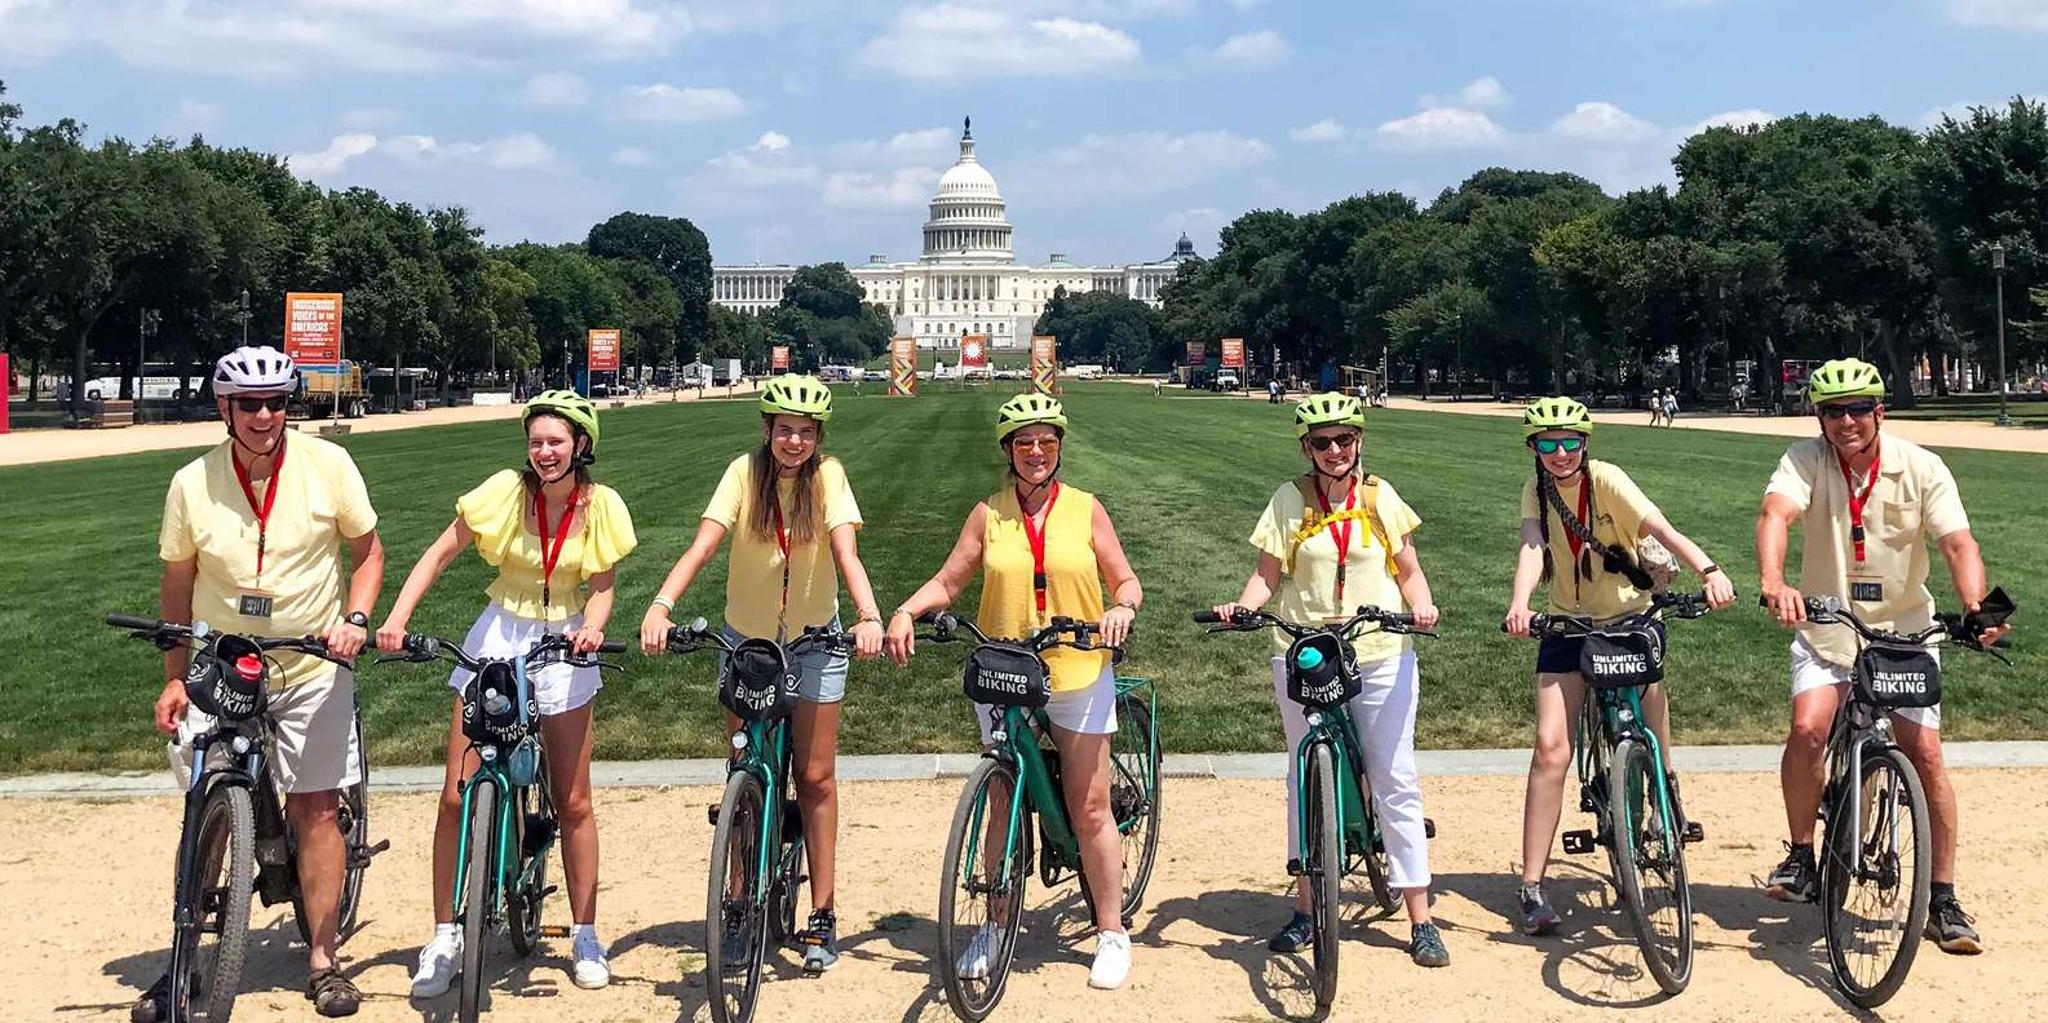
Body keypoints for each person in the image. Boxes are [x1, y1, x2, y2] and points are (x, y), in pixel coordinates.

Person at [141, 345, 386, 1020]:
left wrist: (355, 619)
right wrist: (173, 678)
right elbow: (178, 582)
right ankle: (185, 958)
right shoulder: (192, 482)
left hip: (309, 661)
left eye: (276, 402)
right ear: (225, 408)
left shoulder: (329, 464)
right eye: (249, 403)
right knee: (206, 806)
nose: (264, 415)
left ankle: (324, 961)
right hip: (223, 664)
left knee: (316, 808)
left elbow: (368, 553)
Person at [378, 390, 636, 996]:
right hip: (500, 632)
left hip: (565, 636)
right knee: (455, 794)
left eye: (556, 442)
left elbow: (602, 585)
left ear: (580, 446)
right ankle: (445, 935)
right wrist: (396, 618)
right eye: (536, 441)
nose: (545, 452)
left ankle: (585, 934)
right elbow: (439, 554)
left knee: (573, 801)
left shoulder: (601, 504)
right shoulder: (505, 491)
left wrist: (593, 628)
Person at [884, 393, 1143, 991]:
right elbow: (950, 581)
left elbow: (1125, 579)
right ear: (1008, 450)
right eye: (1024, 442)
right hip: (1006, 670)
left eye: (1046, 442)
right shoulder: (989, 514)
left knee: (1090, 806)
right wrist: (905, 611)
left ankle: (1111, 931)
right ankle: (996, 925)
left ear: (1059, 448)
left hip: (1077, 667)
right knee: (1000, 797)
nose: (1035, 452)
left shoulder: (1085, 509)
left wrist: (1121, 609)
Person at [1755, 358, 2009, 954]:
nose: (1845, 421)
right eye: (1832, 411)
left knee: (1925, 754)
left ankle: (1942, 899)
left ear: (1879, 412)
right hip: (1829, 630)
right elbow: (1776, 514)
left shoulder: (1922, 466)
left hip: (1904, 635)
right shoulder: (1805, 460)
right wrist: (1774, 580)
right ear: (1819, 418)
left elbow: (1958, 543)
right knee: (1808, 729)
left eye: (1857, 409)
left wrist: (1977, 608)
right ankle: (1801, 856)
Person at [639, 374, 886, 972]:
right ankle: (738, 899)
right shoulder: (742, 474)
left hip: (814, 640)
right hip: (747, 641)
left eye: (805, 432)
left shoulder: (829, 478)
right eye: (784, 430)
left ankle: (822, 912)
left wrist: (869, 615)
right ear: (767, 430)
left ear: (818, 437)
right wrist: (661, 605)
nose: (794, 442)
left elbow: (846, 552)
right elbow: (703, 545)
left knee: (815, 776)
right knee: (744, 771)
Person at [1209, 393, 1450, 968]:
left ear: (1358, 442)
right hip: (1306, 652)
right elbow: (1267, 575)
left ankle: (1421, 917)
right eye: (1322, 442)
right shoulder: (1289, 499)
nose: (1335, 450)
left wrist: (1422, 606)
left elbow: (1409, 570)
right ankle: (1306, 905)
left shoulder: (1380, 497)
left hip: (1378, 650)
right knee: (1304, 774)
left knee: (1392, 776)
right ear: (1307, 449)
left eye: (1344, 439)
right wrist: (1243, 608)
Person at [1502, 396, 1736, 935]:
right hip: (1568, 623)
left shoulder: (1607, 479)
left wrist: (1710, 570)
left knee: (1648, 701)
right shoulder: (1536, 489)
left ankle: (1664, 785)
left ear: (1585, 444)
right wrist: (1520, 604)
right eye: (1547, 443)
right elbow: (1533, 547)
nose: (1560, 453)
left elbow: (1661, 529)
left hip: (1629, 617)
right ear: (1534, 448)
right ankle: (1532, 886)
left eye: (1570, 442)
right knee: (1550, 749)